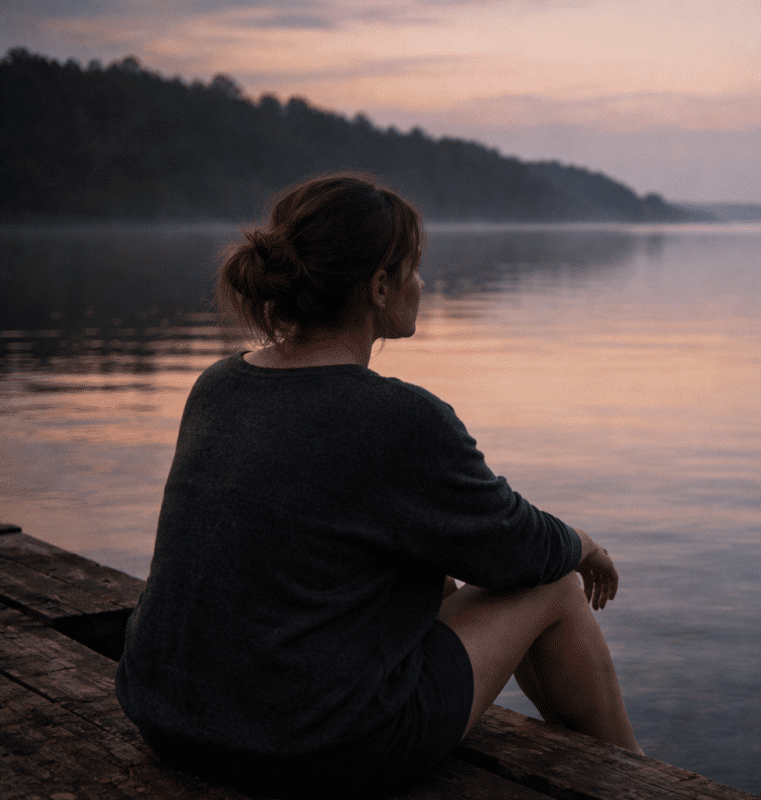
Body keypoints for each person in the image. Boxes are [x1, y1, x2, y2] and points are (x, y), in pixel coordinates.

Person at [115, 173, 640, 797]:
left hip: (169, 718)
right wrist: (581, 543)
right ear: (379, 286)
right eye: (413, 269)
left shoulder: (217, 387)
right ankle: (637, 779)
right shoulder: (398, 419)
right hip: (313, 750)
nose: (423, 284)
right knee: (551, 587)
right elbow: (517, 549)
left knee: (427, 570)